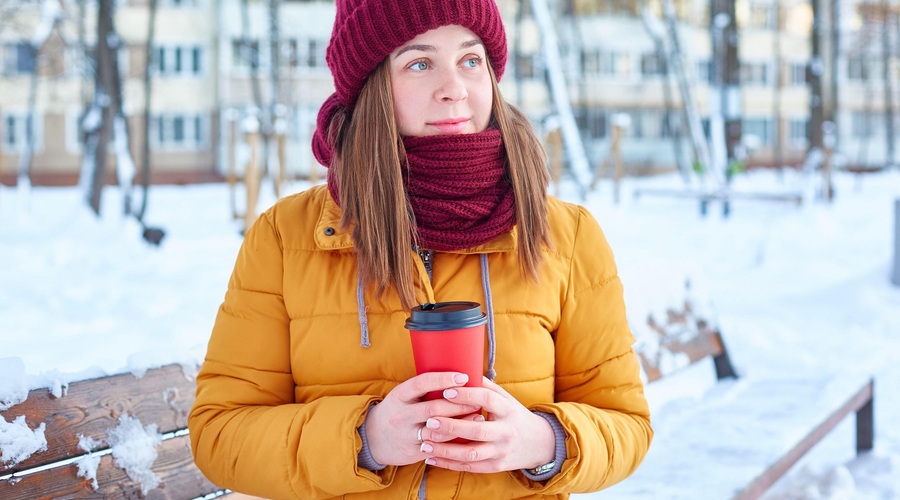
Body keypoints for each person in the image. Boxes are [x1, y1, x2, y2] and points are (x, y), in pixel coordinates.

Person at [188, 0, 652, 498]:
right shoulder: (286, 237)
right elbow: (220, 434)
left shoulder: (565, 234)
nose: (454, 89)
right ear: (370, 86)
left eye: (471, 61)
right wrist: (364, 440)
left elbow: (626, 424)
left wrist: (544, 442)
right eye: (419, 62)